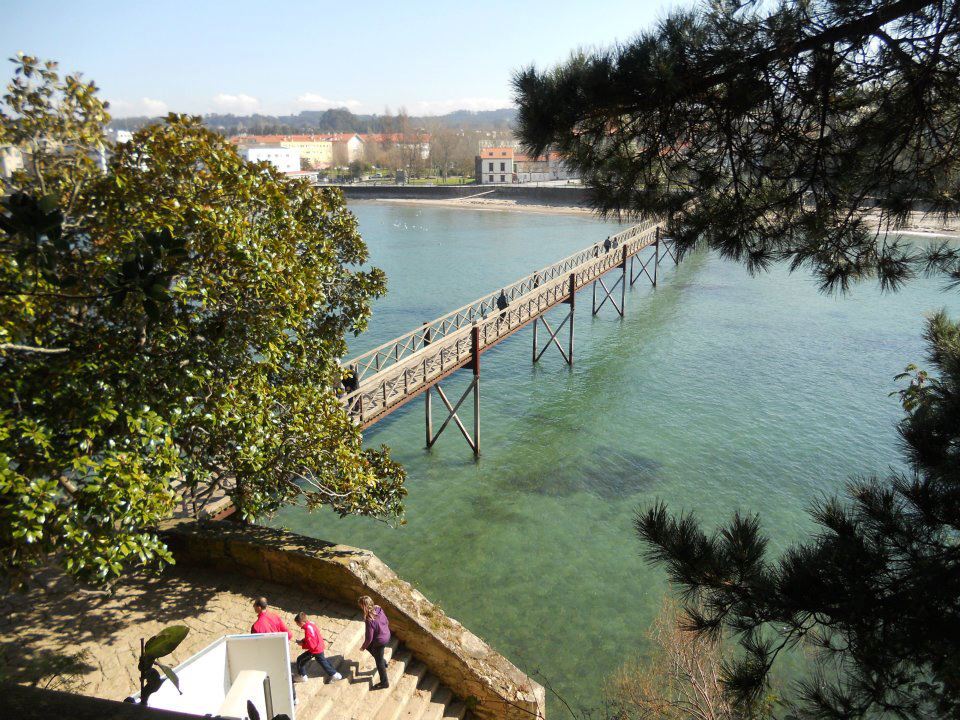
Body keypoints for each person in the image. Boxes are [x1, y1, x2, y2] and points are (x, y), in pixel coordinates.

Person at [293, 612, 343, 683]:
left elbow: (311, 645)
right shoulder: (310, 624)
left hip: (315, 650)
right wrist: (303, 640)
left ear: (301, 622)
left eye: (297, 623)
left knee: (300, 660)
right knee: (322, 661)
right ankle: (335, 674)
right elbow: (311, 637)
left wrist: (302, 644)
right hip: (319, 646)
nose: (297, 625)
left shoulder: (307, 630)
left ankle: (302, 676)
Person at [359, 595, 391, 689]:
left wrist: (363, 647)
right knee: (373, 649)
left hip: (380, 641)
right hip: (387, 635)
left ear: (364, 606)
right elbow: (387, 621)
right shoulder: (379, 608)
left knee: (379, 662)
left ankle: (384, 683)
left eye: (361, 606)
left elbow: (369, 638)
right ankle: (383, 661)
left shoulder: (369, 619)